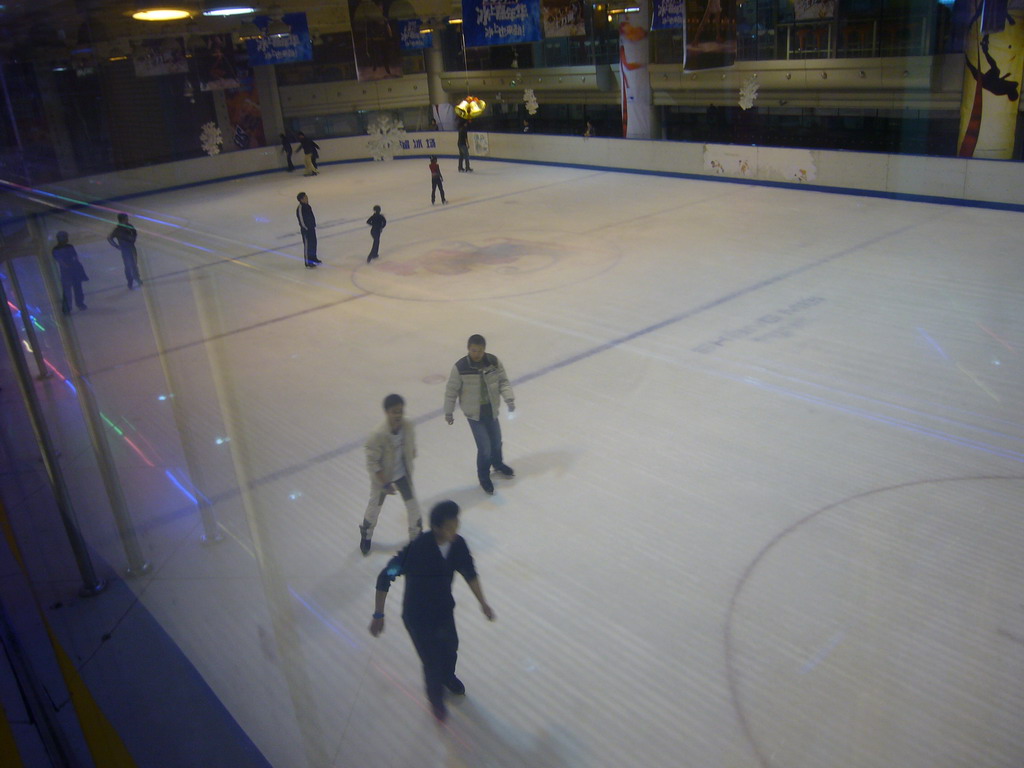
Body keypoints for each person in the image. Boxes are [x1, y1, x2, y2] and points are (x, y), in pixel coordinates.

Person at [369, 500, 495, 721]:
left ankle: (448, 677)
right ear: (437, 527)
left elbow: (469, 573)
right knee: (431, 661)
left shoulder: (458, 545)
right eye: (450, 525)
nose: (455, 529)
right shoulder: (418, 549)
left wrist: (483, 603)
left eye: (457, 523)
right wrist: (379, 614)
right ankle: (435, 697)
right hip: (418, 617)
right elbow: (385, 576)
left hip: (443, 610)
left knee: (451, 647)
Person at [444, 334, 515, 494]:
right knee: (484, 448)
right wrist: (448, 411)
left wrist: (509, 399)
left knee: (496, 441)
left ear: (484, 350)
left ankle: (497, 464)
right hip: (474, 415)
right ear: (468, 349)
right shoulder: (460, 367)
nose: (477, 354)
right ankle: (484, 476)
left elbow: (503, 381)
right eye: (474, 350)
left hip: (491, 411)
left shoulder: (493, 362)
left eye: (480, 351)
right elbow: (451, 391)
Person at [359, 394, 423, 555]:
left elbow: (411, 446)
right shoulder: (377, 435)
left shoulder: (408, 426)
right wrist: (385, 483)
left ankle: (416, 540)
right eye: (394, 412)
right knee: (374, 509)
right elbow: (372, 464)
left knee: (413, 507)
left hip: (403, 475)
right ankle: (366, 534)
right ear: (387, 412)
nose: (398, 415)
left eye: (400, 411)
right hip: (383, 479)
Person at [52, 231, 88, 314]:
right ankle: (68, 308)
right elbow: (60, 260)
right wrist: (67, 266)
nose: (66, 239)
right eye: (64, 237)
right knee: (68, 291)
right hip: (67, 272)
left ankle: (79, 304)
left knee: (77, 288)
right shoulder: (57, 249)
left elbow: (75, 257)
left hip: (73, 271)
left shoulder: (69, 247)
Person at [107, 213, 142, 289]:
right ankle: (131, 281)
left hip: (131, 248)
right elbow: (109, 238)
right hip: (126, 250)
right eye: (126, 218)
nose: (127, 219)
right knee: (129, 266)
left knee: (134, 264)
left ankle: (136, 279)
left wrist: (132, 238)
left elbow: (135, 233)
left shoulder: (129, 226)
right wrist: (117, 246)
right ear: (122, 219)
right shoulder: (118, 230)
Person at [296, 192, 321, 267]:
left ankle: (313, 258)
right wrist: (306, 228)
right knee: (307, 245)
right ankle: (308, 262)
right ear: (301, 199)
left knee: (313, 243)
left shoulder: (307, 206)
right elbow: (301, 220)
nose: (307, 198)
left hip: (311, 228)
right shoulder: (300, 208)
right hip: (306, 230)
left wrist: (313, 225)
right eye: (305, 197)